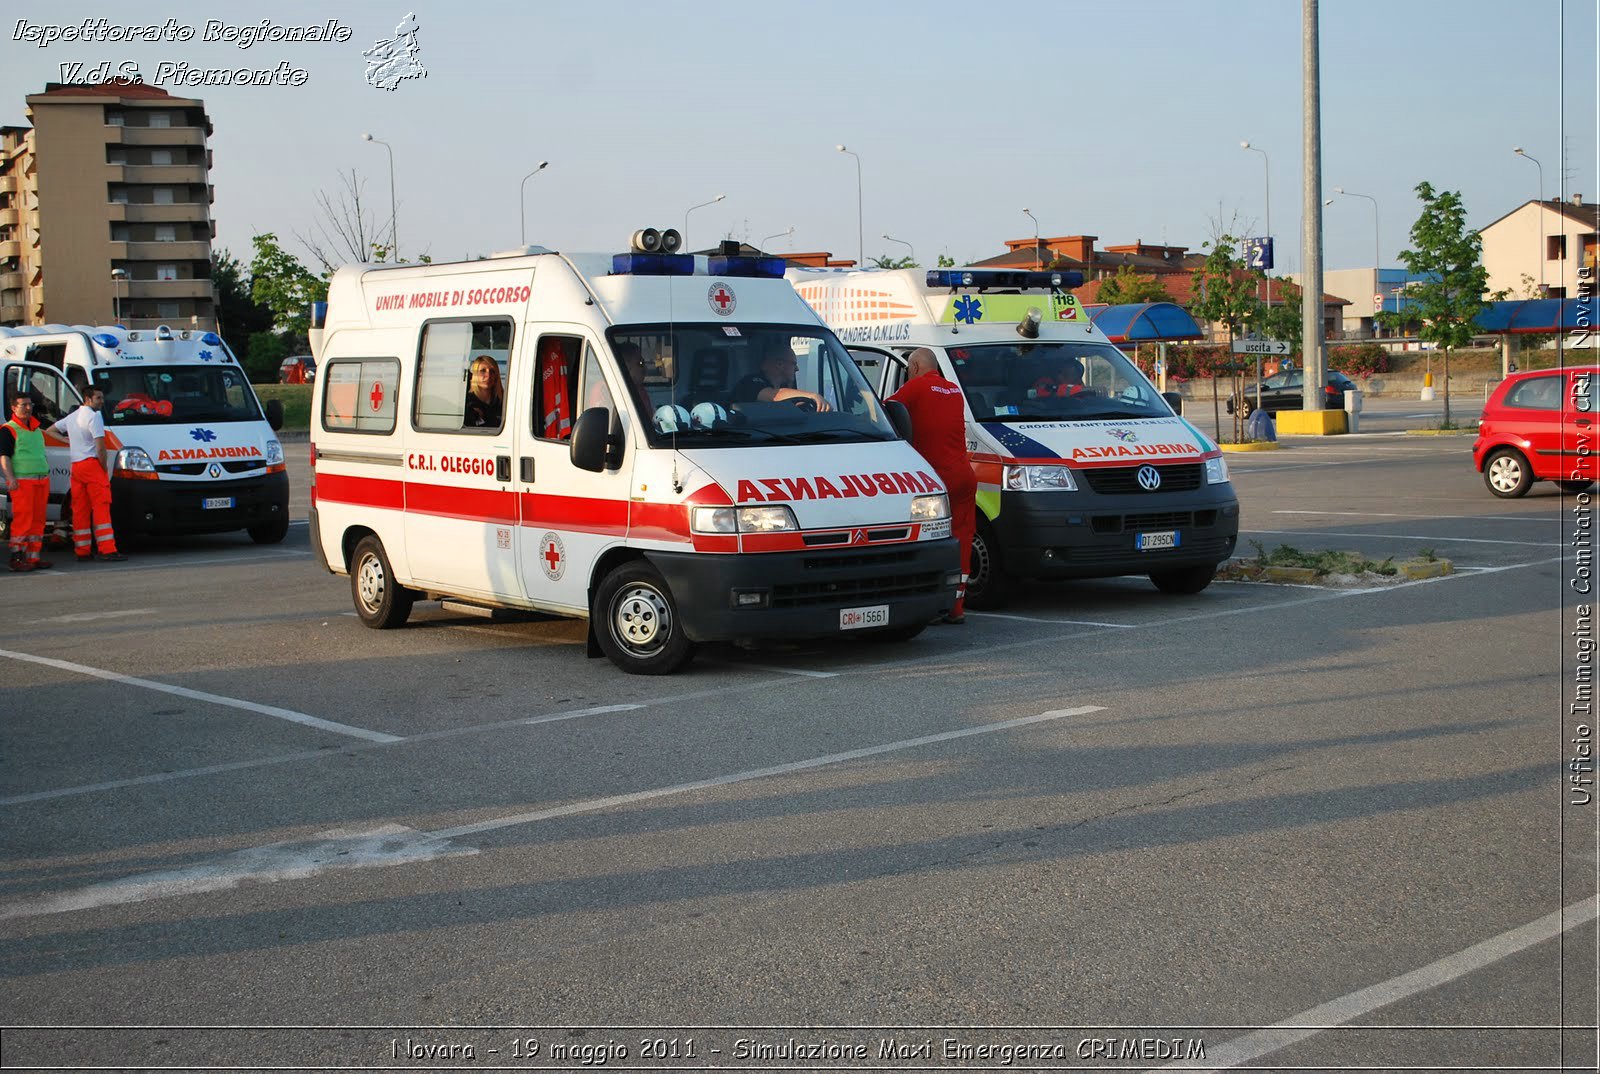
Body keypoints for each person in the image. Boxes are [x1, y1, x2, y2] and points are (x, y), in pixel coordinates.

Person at [888, 348, 976, 624]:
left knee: (924, 540)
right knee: (962, 538)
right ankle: (957, 607)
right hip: (964, 475)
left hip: (936, 479)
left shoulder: (915, 387)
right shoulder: (953, 391)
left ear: (913, 367)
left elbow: (884, 412)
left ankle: (920, 600)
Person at [49, 387, 124, 562]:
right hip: (92, 465)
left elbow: (50, 430)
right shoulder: (94, 416)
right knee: (101, 507)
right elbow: (100, 447)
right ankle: (107, 549)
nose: (102, 401)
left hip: (76, 466)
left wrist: (67, 441)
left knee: (80, 510)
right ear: (88, 399)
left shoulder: (72, 416)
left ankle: (82, 550)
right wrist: (104, 468)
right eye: (98, 398)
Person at [0, 394, 53, 571]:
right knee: (23, 519)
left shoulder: (37, 430)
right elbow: (4, 457)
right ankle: (16, 558)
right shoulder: (9, 429)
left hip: (41, 480)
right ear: (14, 408)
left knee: (38, 520)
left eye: (30, 404)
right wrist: (10, 478)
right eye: (23, 405)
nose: (28, 408)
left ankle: (33, 557)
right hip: (23, 482)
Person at [733, 339, 831, 411]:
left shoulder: (784, 387)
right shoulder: (750, 383)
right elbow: (774, 395)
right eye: (794, 364)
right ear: (780, 364)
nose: (797, 369)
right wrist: (812, 396)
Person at [463, 355, 504, 428]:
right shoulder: (467, 404)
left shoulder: (505, 402)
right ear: (474, 375)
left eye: (492, 371)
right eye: (483, 371)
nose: (488, 375)